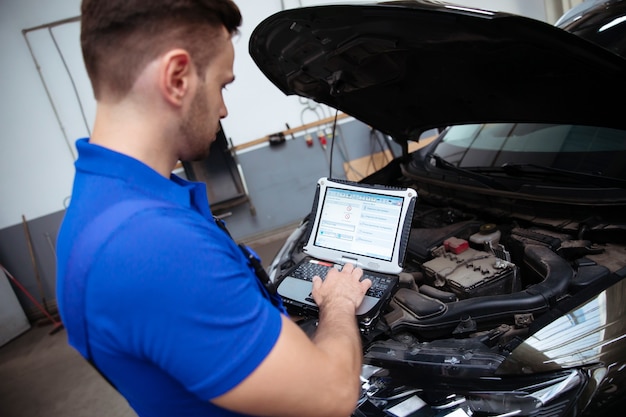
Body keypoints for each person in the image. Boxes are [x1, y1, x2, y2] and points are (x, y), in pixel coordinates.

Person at [55, 1, 372, 417]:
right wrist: (339, 303)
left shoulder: (103, 203)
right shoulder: (149, 244)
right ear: (177, 77)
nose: (223, 110)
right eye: (222, 85)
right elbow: (330, 395)